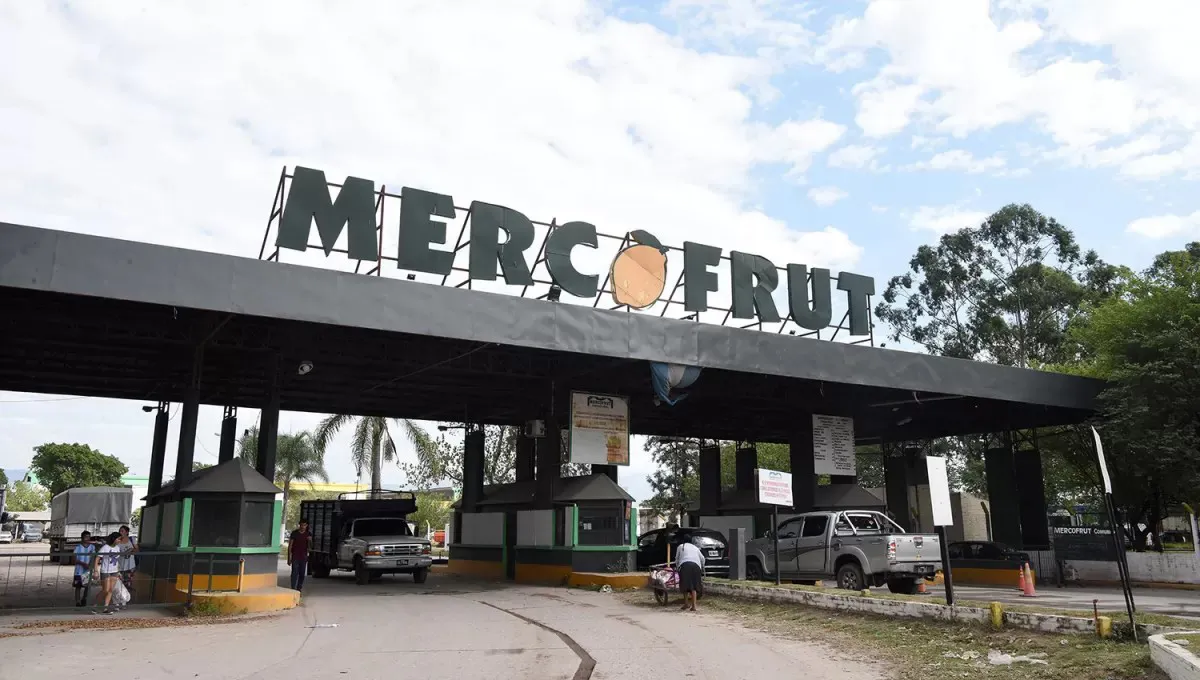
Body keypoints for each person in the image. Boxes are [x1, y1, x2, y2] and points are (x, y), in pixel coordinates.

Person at [93, 532, 122, 614]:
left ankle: (105, 608)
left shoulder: (117, 548)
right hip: (105, 570)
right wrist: (96, 570)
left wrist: (118, 571)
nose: (119, 541)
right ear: (114, 539)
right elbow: (97, 558)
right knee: (105, 590)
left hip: (114, 570)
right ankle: (95, 605)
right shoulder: (105, 547)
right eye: (118, 539)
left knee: (110, 590)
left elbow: (117, 560)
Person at [674, 538, 706, 612]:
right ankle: (694, 606)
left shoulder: (681, 546)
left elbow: (677, 559)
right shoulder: (695, 548)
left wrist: (677, 567)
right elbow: (702, 558)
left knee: (685, 585)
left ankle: (686, 604)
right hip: (696, 566)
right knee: (693, 586)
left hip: (685, 565)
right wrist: (702, 566)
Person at [116, 525, 139, 606]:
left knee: (127, 583)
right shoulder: (117, 541)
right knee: (119, 584)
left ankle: (125, 600)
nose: (120, 532)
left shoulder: (132, 539)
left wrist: (131, 550)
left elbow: (137, 549)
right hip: (120, 565)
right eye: (120, 531)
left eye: (122, 531)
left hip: (130, 565)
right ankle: (119, 600)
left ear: (127, 532)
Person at [72, 532, 96, 607]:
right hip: (79, 571)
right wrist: (83, 564)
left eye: (89, 537)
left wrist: (91, 565)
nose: (87, 538)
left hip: (87, 570)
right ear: (82, 538)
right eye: (86, 537)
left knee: (87, 586)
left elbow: (93, 557)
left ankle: (84, 599)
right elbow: (74, 559)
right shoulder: (78, 547)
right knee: (78, 586)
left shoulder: (92, 547)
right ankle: (78, 601)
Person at [287, 519, 311, 593]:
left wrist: (310, 540)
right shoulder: (295, 533)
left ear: (307, 526)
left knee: (302, 574)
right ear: (299, 525)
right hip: (295, 556)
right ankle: (293, 589)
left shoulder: (308, 534)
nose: (303, 527)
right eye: (302, 525)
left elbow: (310, 548)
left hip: (303, 557)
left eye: (305, 525)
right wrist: (289, 558)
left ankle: (299, 588)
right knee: (294, 573)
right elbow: (290, 546)